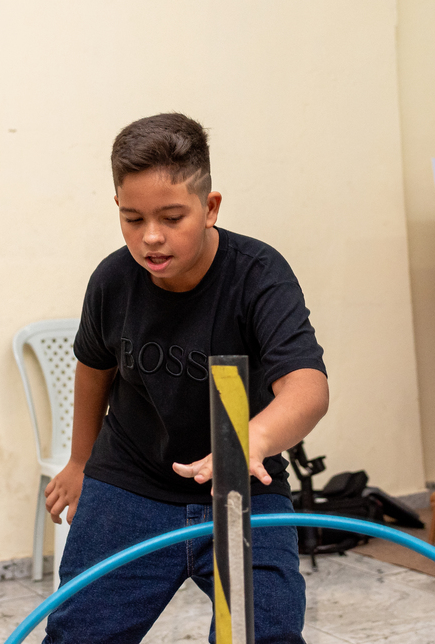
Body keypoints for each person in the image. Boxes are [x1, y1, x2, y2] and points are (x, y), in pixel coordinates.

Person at [42, 113, 330, 643]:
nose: (151, 238)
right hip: (129, 481)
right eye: (133, 219)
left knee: (258, 634)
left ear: (210, 207)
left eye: (172, 218)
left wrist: (250, 442)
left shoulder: (257, 276)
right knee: (82, 633)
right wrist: (80, 460)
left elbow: (307, 387)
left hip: (238, 485)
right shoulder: (113, 279)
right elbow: (94, 365)